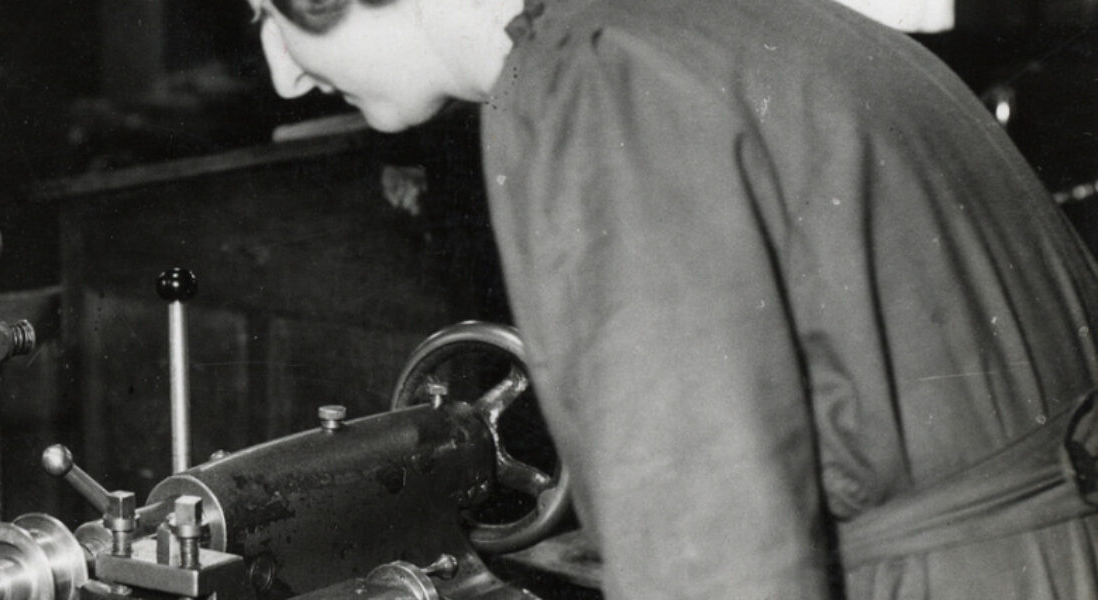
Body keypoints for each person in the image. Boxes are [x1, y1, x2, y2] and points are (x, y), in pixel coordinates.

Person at [244, 0, 1098, 597]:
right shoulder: (677, 21)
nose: (280, 76)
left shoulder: (596, 77)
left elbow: (711, 536)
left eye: (266, 13)